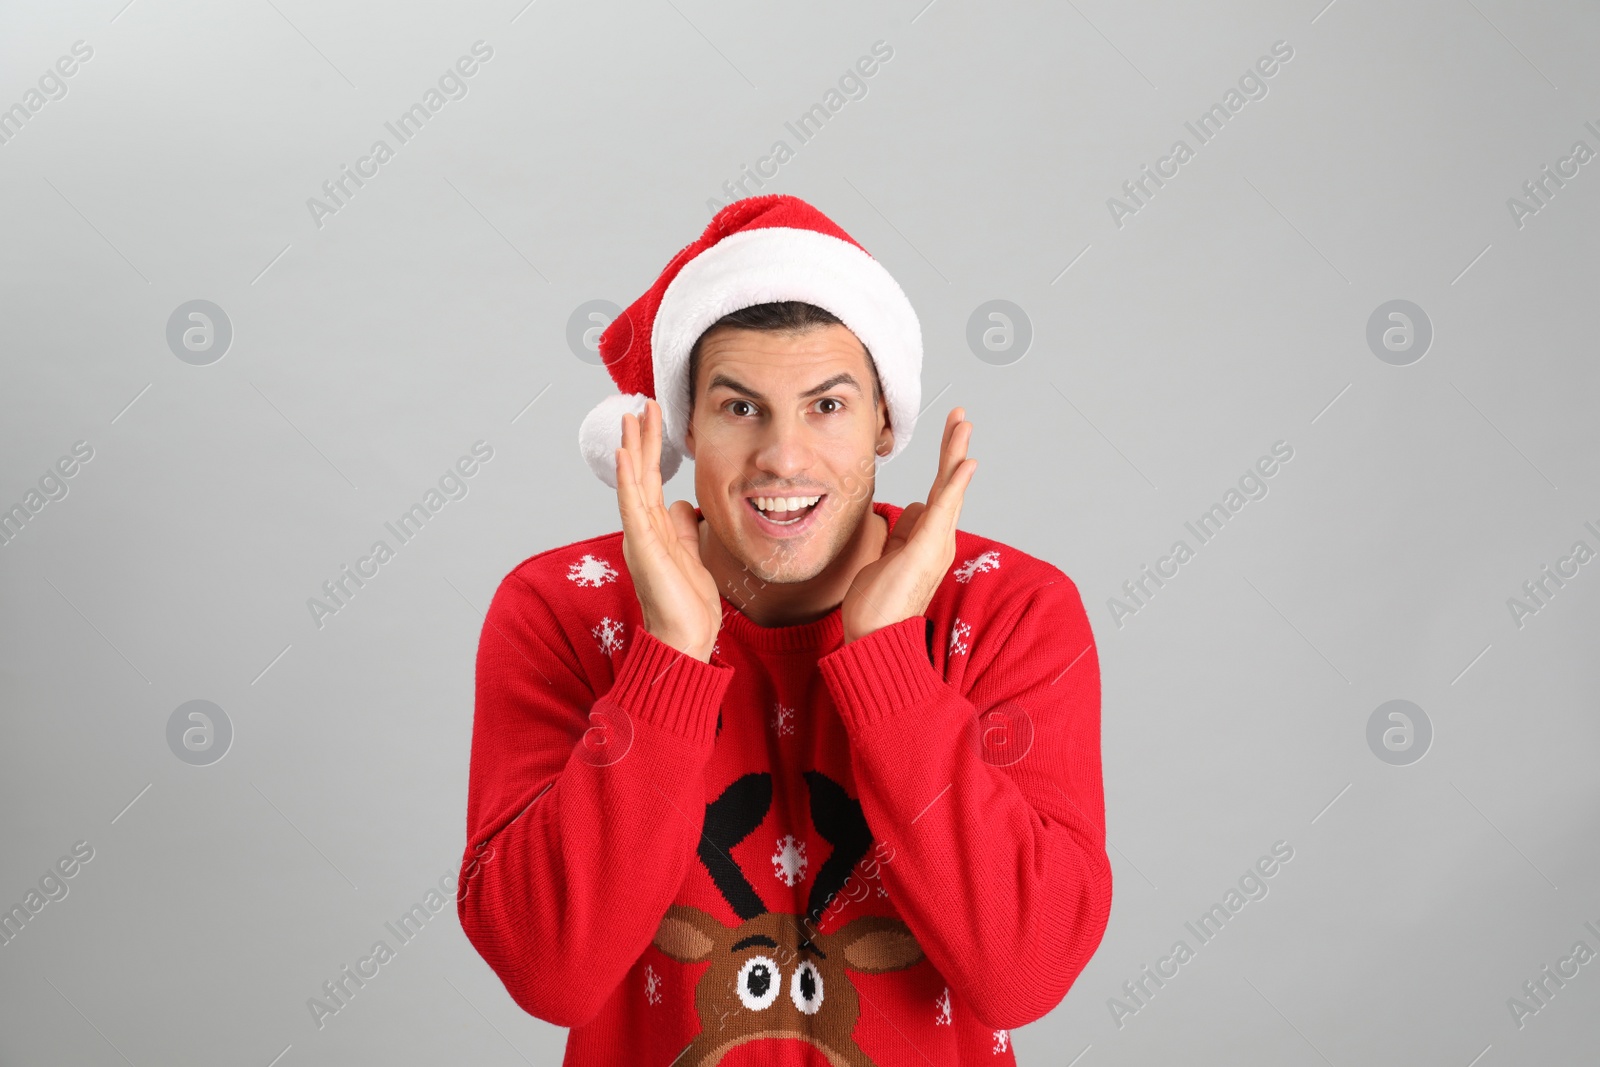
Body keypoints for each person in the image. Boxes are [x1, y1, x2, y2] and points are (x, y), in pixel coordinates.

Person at [456, 194, 1111, 1066]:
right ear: (684, 423)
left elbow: (1021, 973)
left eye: (828, 406)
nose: (784, 457)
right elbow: (550, 972)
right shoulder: (563, 611)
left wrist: (890, 664)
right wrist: (667, 660)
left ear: (886, 419)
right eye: (739, 408)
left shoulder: (1008, 612)